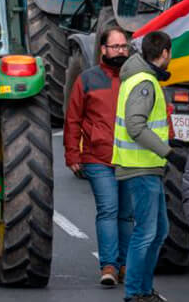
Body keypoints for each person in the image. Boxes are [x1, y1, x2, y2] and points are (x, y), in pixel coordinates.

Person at [113, 30, 189, 302]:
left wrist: (170, 143)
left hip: (148, 167)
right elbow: (135, 126)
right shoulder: (144, 82)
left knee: (159, 232)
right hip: (141, 167)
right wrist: (169, 152)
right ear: (165, 53)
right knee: (146, 233)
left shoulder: (143, 78)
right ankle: (135, 293)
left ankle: (144, 290)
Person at [64, 26, 134, 286]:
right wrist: (73, 155)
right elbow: (73, 120)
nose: (120, 51)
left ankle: (126, 265)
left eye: (124, 46)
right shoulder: (88, 79)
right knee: (108, 210)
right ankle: (109, 267)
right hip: (98, 158)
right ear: (103, 50)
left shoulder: (134, 79)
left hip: (129, 158)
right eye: (115, 47)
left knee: (126, 215)